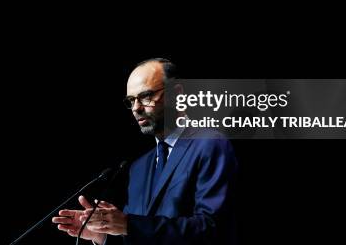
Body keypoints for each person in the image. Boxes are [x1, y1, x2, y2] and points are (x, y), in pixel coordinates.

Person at [52, 58, 238, 244]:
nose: (136, 108)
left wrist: (128, 224)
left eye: (146, 96)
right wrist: (104, 234)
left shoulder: (209, 144)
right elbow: (142, 234)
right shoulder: (139, 167)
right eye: (131, 100)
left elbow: (213, 228)